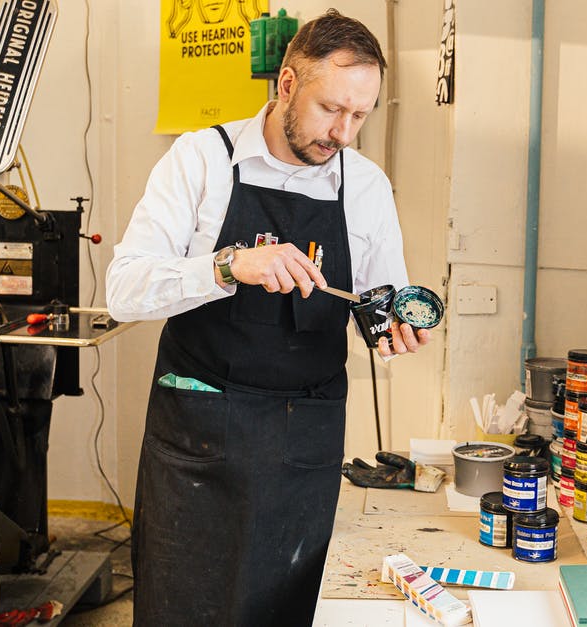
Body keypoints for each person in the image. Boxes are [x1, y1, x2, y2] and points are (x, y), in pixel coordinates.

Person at [106, 9, 430, 625]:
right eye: (331, 109)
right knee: (183, 604)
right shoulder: (200, 160)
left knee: (283, 609)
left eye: (360, 115)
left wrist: (393, 326)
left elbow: (382, 301)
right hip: (199, 431)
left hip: (302, 436)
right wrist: (228, 268)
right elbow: (124, 290)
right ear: (286, 84)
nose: (343, 133)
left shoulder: (365, 187)